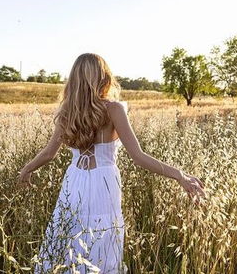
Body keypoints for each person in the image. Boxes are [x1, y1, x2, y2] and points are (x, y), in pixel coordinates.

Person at [18, 53, 206, 273]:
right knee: (102, 240)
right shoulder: (114, 109)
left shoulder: (68, 112)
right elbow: (139, 156)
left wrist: (26, 169)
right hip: (103, 182)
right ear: (103, 76)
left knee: (68, 237)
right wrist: (179, 175)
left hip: (74, 181)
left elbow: (49, 153)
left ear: (74, 79)